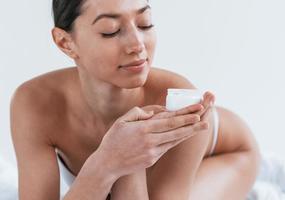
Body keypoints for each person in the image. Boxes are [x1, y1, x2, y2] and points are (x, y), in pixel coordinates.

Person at [10, 0, 261, 199]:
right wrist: (106, 161)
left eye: (144, 24)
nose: (137, 44)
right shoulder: (34, 103)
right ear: (65, 43)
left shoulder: (177, 97)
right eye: (112, 31)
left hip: (231, 155)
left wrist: (131, 160)